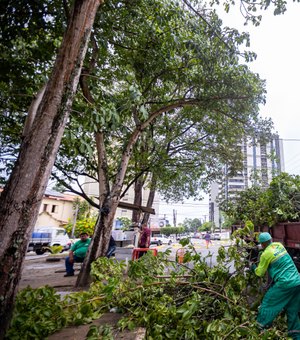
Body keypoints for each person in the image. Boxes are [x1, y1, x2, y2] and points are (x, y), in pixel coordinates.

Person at [251, 232, 300, 339]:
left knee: (268, 303)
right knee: (292, 310)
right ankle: (296, 336)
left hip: (285, 284)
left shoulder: (265, 254)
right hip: (297, 281)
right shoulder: (279, 245)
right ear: (271, 240)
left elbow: (260, 273)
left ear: (262, 244)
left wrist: (253, 267)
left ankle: (259, 329)